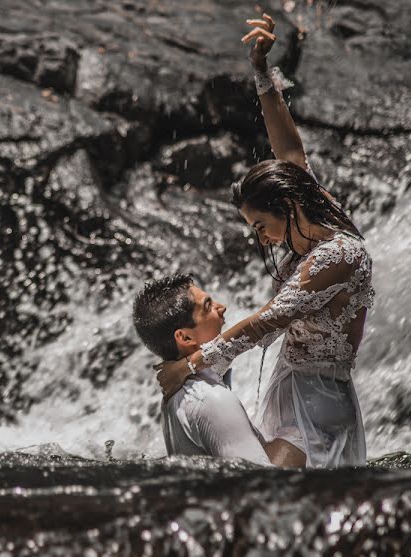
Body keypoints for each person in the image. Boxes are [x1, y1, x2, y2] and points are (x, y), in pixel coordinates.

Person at [153, 14, 374, 468]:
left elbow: (266, 323)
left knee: (271, 497)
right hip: (294, 384)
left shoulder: (337, 254)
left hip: (319, 402)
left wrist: (191, 365)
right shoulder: (315, 215)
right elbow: (290, 152)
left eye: (260, 225)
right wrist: (261, 72)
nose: (262, 238)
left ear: (287, 206)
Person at [133, 274, 306, 467]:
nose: (222, 307)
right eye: (208, 306)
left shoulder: (178, 395)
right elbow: (260, 484)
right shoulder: (212, 400)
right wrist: (297, 446)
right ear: (185, 337)